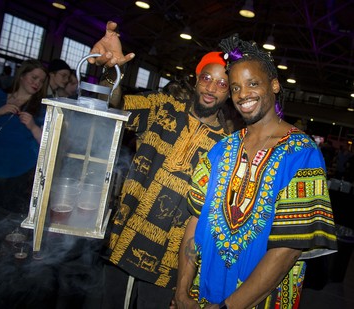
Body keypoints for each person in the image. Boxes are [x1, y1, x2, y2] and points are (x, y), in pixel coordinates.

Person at [175, 33, 338, 309]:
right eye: (235, 87)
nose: (243, 95)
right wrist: (181, 293)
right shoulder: (220, 150)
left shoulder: (302, 154)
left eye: (253, 83)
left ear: (274, 85)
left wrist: (229, 306)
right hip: (202, 297)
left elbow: (288, 250)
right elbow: (194, 222)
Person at [89, 21, 241, 308]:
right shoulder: (163, 108)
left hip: (170, 263)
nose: (212, 88)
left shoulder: (228, 147)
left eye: (223, 84)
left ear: (230, 93)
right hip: (123, 241)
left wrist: (188, 286)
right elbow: (114, 106)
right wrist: (112, 72)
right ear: (196, 79)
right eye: (207, 78)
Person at [0, 59, 48, 213]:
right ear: (22, 75)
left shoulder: (41, 108)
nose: (37, 83)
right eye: (34, 77)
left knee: (6, 222)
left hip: (19, 173)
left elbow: (47, 143)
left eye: (42, 81)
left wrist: (32, 126)